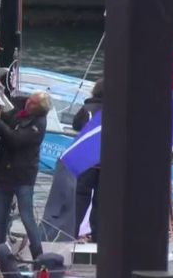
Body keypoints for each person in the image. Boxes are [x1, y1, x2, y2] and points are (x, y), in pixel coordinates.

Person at [0, 91, 51, 260]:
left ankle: (38, 256)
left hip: (23, 177)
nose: (27, 102)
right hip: (5, 173)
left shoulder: (38, 124)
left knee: (26, 217)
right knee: (0, 217)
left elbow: (14, 139)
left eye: (31, 102)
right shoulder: (22, 112)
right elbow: (10, 117)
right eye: (29, 99)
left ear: (37, 109)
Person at [72, 78, 103, 242]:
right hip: (106, 163)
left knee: (80, 198)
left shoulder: (87, 109)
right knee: (100, 201)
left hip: (87, 162)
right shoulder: (116, 109)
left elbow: (76, 124)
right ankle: (98, 236)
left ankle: (72, 232)